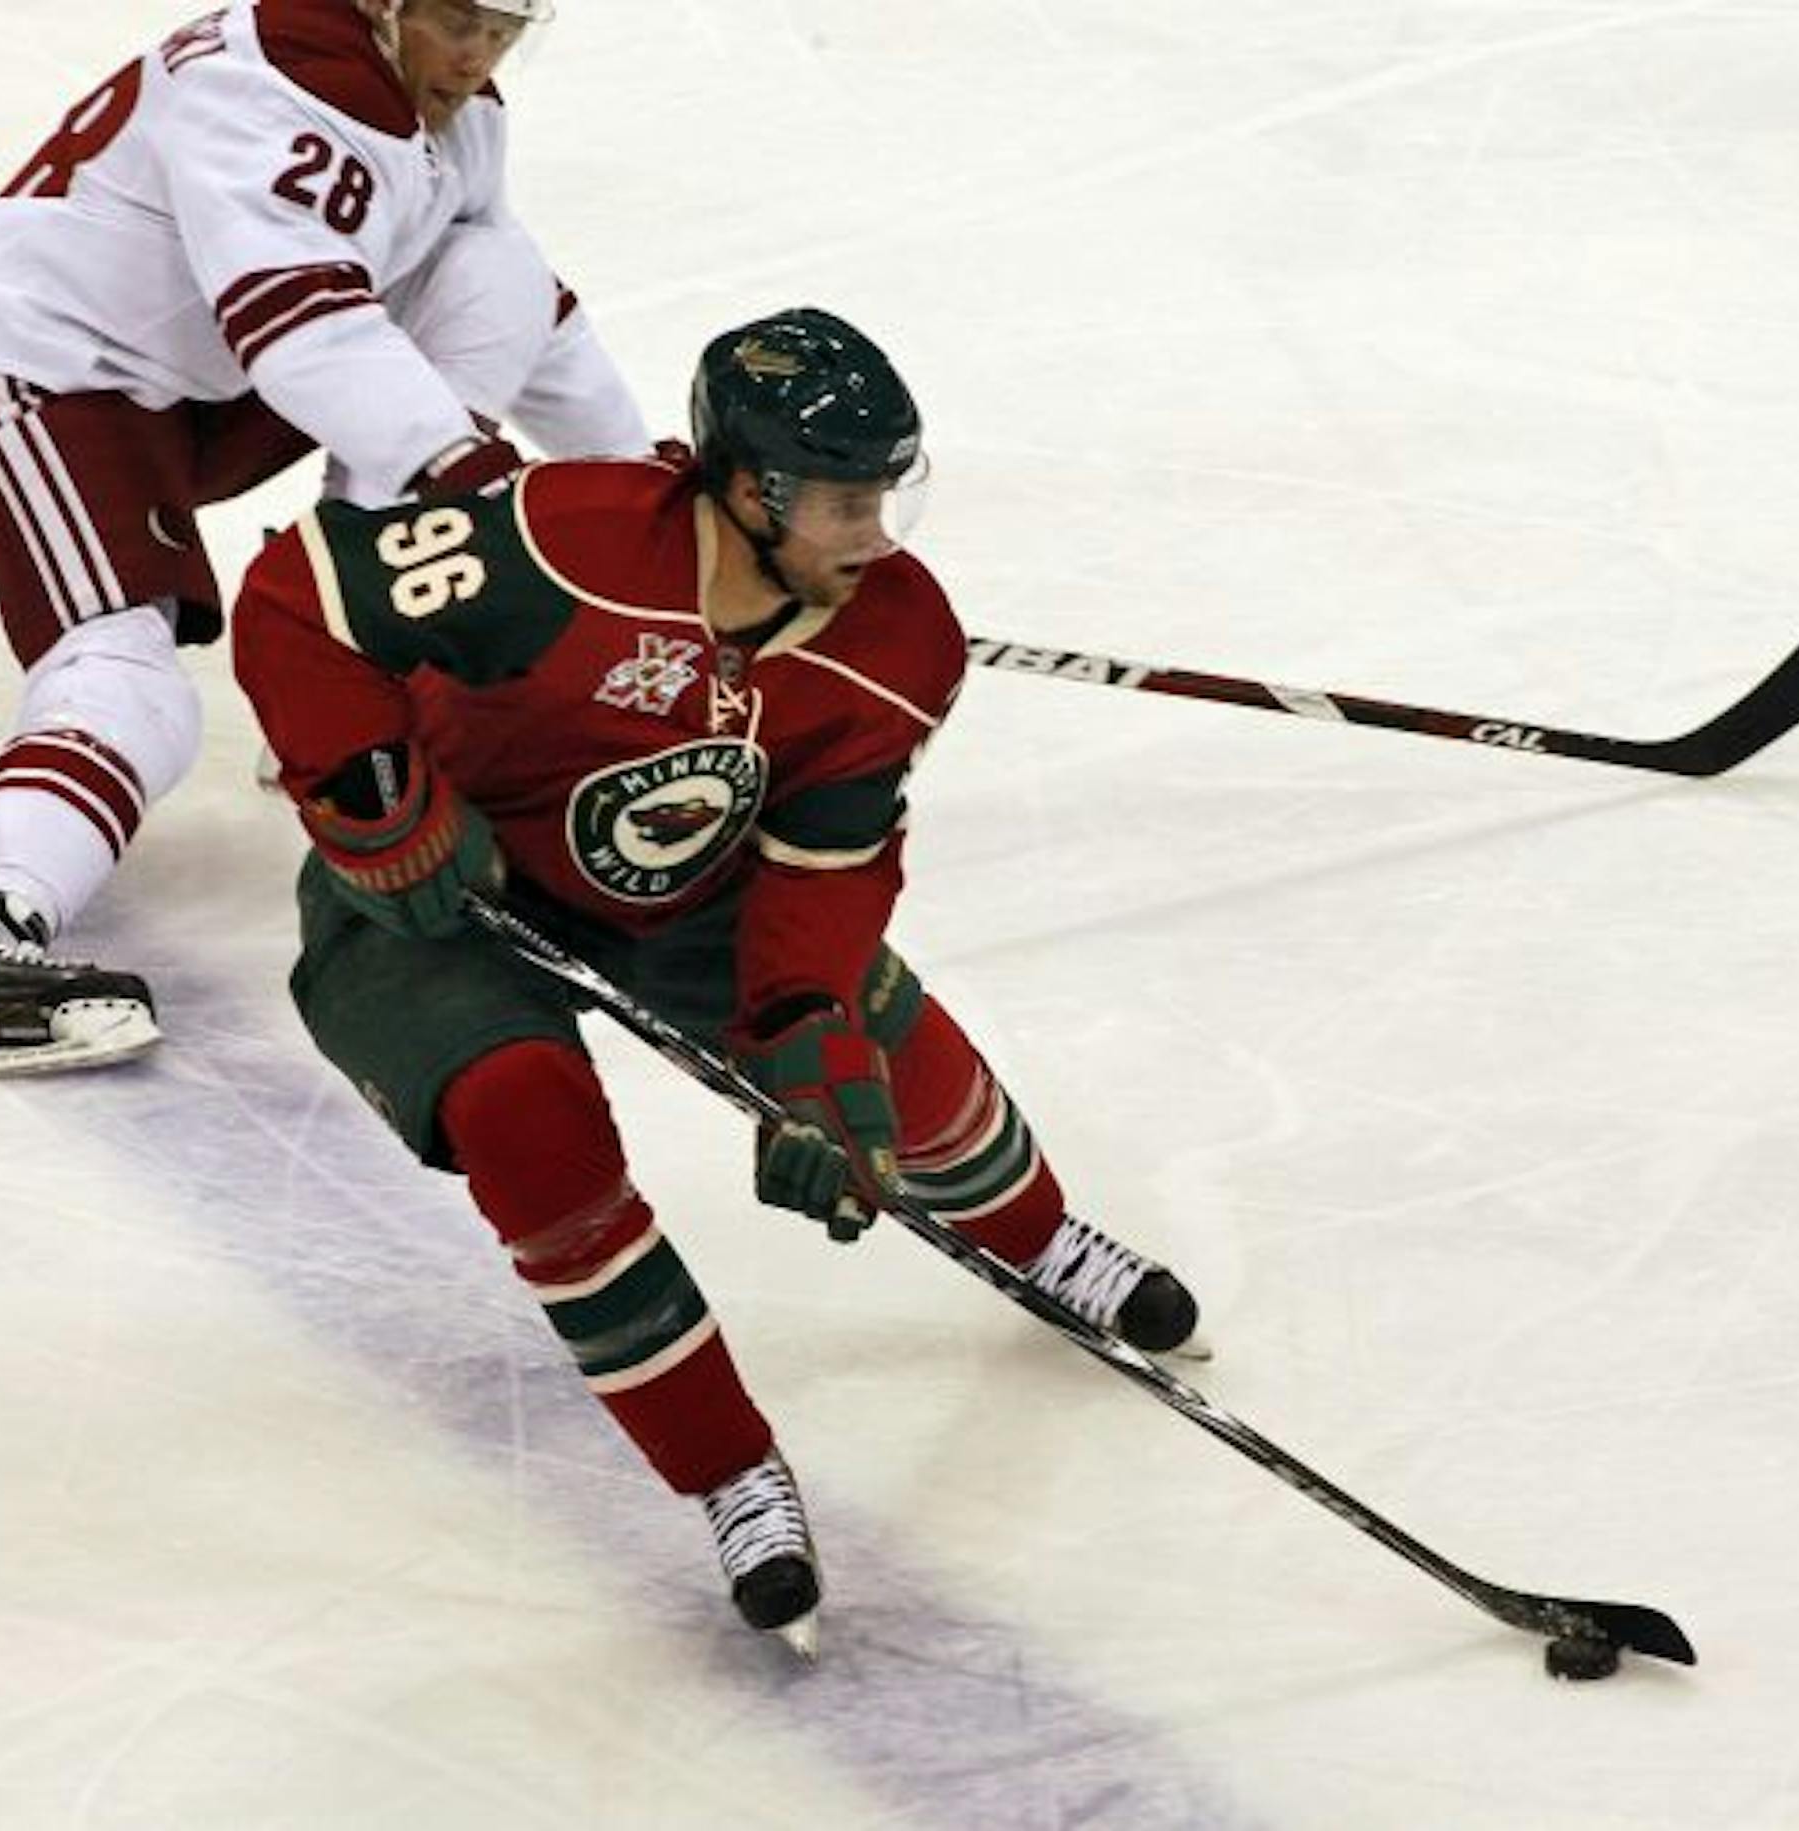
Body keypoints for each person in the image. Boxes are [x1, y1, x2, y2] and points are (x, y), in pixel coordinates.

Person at [230, 305, 1204, 1655]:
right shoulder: (555, 541)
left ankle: (1035, 1237)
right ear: (746, 487)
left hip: (694, 886)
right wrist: (378, 798)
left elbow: (826, 868)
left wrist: (814, 1048)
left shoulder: (901, 641)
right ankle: (731, 1470)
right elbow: (302, 595)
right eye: (840, 499)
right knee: (525, 1117)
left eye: (887, 494)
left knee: (884, 1043)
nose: (872, 533)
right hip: (449, 897)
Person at [0, 0, 651, 1080]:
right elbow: (301, 331)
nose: (476, 55)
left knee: (494, 271)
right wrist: (484, 492)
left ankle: (361, 688)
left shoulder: (448, 115)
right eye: (455, 20)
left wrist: (655, 501)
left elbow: (527, 309)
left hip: (186, 380)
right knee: (125, 680)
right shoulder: (277, 85)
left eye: (504, 29)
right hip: (38, 362)